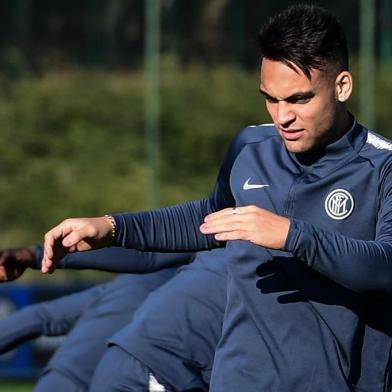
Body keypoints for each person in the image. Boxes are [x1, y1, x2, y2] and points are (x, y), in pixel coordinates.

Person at [41, 4, 392, 391]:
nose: (282, 117)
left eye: (298, 99)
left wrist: (293, 235)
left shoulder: (383, 168)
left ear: (342, 86)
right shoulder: (250, 147)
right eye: (270, 99)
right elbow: (210, 219)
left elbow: (386, 266)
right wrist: (112, 227)